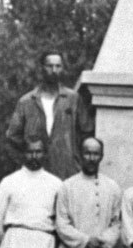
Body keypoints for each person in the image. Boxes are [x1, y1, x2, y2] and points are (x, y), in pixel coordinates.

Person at [6, 51, 94, 180]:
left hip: (67, 170)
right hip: (35, 172)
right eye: (50, 66)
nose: (54, 70)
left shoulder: (73, 99)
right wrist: (27, 157)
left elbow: (87, 131)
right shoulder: (27, 101)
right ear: (42, 68)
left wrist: (76, 159)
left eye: (58, 66)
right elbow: (12, 136)